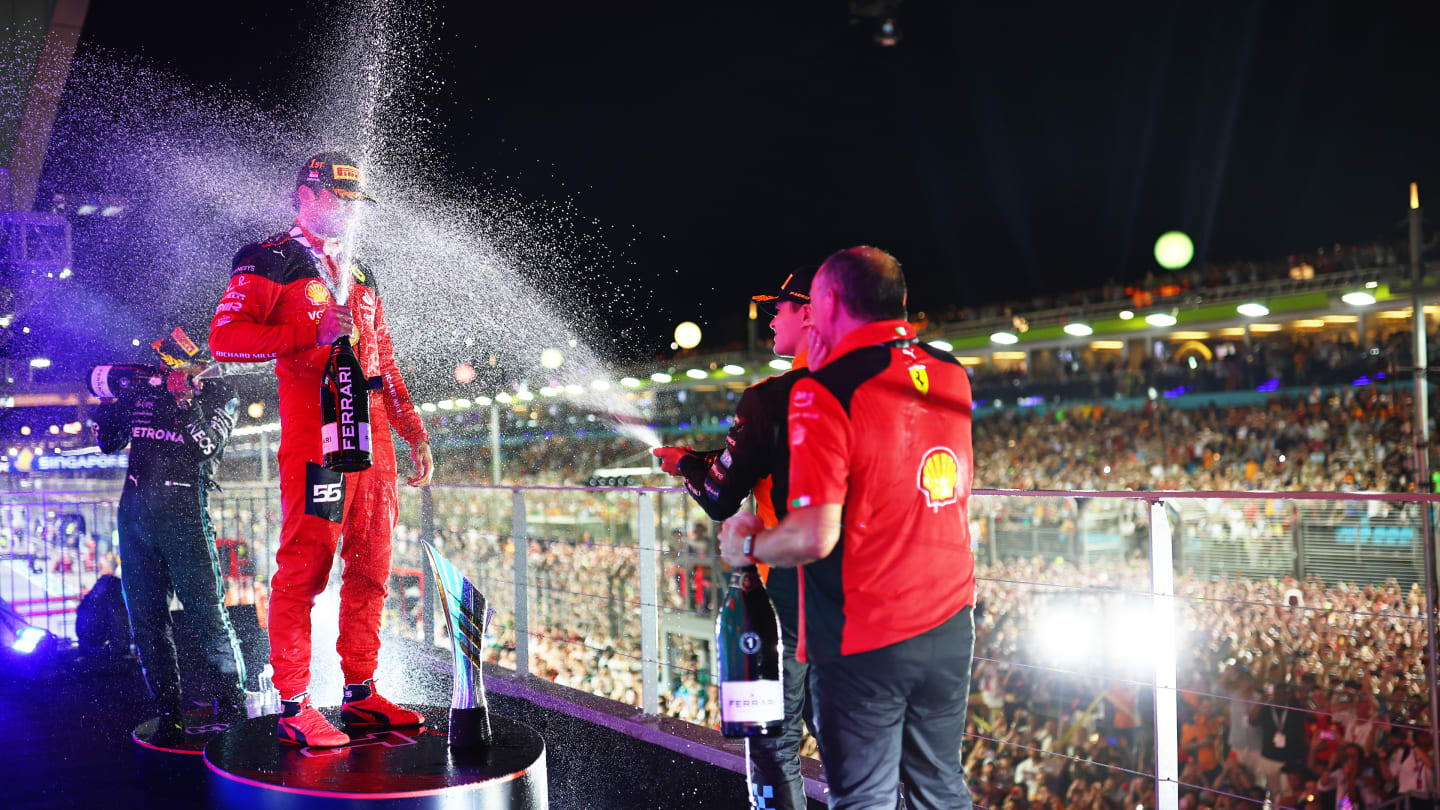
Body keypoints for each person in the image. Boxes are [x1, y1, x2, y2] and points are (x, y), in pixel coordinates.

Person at [719, 246, 976, 809]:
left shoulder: (825, 388)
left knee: (863, 798)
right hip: (953, 622)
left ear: (828, 303)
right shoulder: (952, 372)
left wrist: (747, 544)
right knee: (940, 787)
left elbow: (813, 534)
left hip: (868, 635)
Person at [208, 151, 434, 747]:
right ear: (303, 196)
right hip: (316, 437)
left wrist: (412, 429)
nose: (347, 211)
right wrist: (312, 331)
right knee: (304, 569)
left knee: (373, 567)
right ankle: (295, 704)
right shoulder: (268, 259)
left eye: (355, 202)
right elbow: (225, 340)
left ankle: (361, 693)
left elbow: (382, 361)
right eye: (337, 198)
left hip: (376, 434)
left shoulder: (362, 273)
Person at [652, 266, 818, 810]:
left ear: (811, 313)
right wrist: (692, 461)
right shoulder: (861, 391)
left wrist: (687, 469)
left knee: (774, 742)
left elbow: (723, 495)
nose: (772, 318)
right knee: (852, 752)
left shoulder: (769, 398)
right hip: (862, 594)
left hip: (789, 596)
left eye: (782, 308)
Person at [94, 331, 246, 746]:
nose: (171, 367)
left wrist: (184, 401)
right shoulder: (146, 388)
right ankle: (168, 713)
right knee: (146, 622)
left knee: (207, 618)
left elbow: (207, 446)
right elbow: (108, 442)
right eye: (167, 359)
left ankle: (234, 711)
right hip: (135, 520)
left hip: (185, 520)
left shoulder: (222, 394)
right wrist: (111, 401)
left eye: (181, 360)